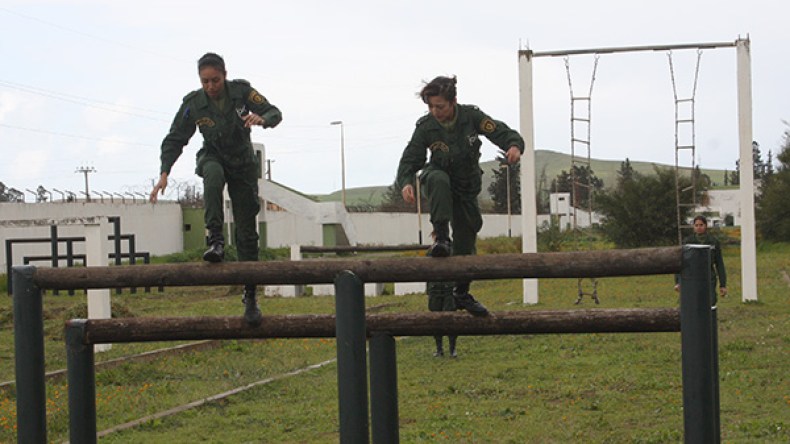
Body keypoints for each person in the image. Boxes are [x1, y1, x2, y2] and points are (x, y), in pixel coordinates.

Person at [150, 52, 282, 326]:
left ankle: (250, 295)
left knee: (247, 231)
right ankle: (215, 240)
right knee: (211, 174)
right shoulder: (194, 104)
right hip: (214, 156)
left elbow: (274, 112)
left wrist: (262, 119)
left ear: (224, 75)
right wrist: (164, 173)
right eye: (205, 81)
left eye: (215, 80)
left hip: (243, 166)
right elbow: (175, 138)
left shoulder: (242, 91)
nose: (210, 86)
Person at [396, 76, 525, 316]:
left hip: (466, 189)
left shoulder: (471, 117)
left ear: (453, 101)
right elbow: (410, 158)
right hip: (439, 183)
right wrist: (406, 182)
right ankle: (441, 238)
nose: (435, 111)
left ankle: (461, 292)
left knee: (467, 241)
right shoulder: (426, 127)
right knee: (437, 178)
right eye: (431, 107)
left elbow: (498, 130)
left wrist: (514, 145)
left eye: (440, 107)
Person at [674, 215, 728, 300]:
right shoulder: (688, 241)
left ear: (705, 226)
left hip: (708, 276)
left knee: (710, 300)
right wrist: (678, 282)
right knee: (693, 300)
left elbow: (719, 263)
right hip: (692, 277)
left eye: (701, 225)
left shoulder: (713, 241)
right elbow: (681, 262)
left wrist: (723, 284)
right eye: (696, 225)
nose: (699, 227)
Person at [427, 232, 458, 357]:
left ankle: (451, 349)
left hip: (447, 289)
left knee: (449, 319)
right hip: (436, 289)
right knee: (436, 320)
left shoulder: (452, 250)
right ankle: (441, 349)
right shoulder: (431, 251)